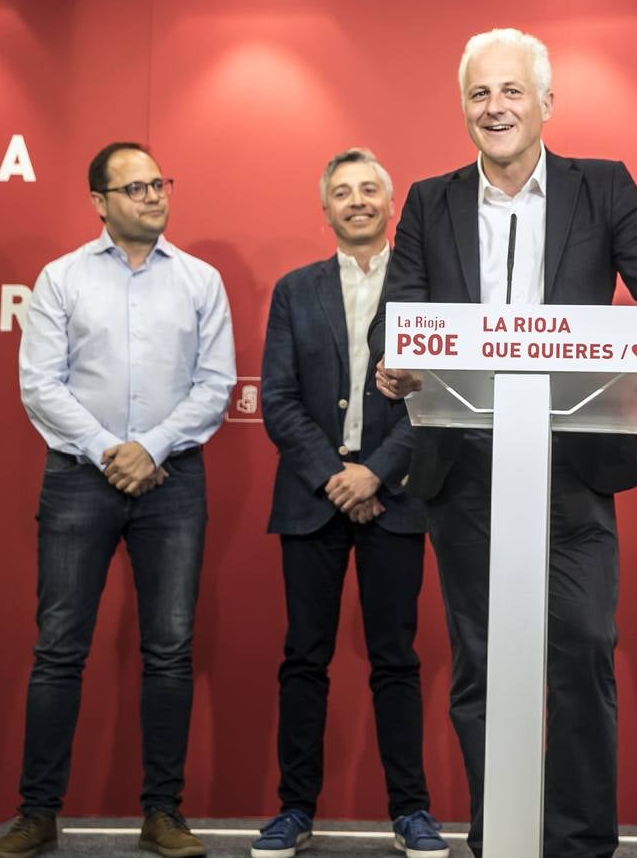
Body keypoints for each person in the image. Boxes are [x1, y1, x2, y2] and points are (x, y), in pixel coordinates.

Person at [376, 27, 637, 858]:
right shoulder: (427, 200)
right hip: (465, 471)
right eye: (481, 94)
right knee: (482, 665)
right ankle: (501, 836)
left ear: (546, 103)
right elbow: (399, 317)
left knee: (584, 650)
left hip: (575, 465)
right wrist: (395, 364)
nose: (497, 108)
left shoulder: (603, 188)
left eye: (512, 92)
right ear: (463, 108)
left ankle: (581, 843)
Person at [0, 142, 236, 858]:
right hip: (78, 478)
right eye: (135, 188)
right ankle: (37, 813)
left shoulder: (200, 280)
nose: (153, 196)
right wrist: (110, 450)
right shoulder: (62, 279)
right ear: (100, 202)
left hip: (174, 481)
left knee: (170, 650)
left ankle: (163, 813)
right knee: (60, 650)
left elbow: (215, 385)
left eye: (159, 183)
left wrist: (150, 448)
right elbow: (41, 383)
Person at [251, 148, 448, 858]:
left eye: (369, 190)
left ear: (391, 205)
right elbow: (275, 398)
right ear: (325, 208)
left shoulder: (427, 292)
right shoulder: (294, 290)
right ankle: (294, 809)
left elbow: (437, 396)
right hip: (312, 499)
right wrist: (335, 475)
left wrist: (375, 475)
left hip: (394, 499)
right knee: (304, 658)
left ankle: (412, 812)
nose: (357, 200)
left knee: (396, 658)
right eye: (343, 192)